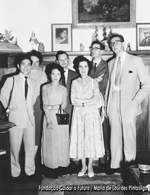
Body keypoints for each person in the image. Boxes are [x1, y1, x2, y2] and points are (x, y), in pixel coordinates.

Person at [105, 34, 150, 174]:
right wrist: (107, 106)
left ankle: (130, 167)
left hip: (129, 105)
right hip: (113, 104)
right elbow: (109, 86)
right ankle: (115, 166)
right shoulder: (111, 63)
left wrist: (135, 102)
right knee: (115, 136)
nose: (114, 45)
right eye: (111, 43)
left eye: (117, 42)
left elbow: (147, 84)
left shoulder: (135, 60)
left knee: (129, 137)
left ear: (123, 44)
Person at [0, 54, 38, 178]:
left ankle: (30, 170)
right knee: (14, 147)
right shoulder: (11, 79)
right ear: (18, 66)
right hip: (15, 118)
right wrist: (10, 109)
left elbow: (33, 99)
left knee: (30, 146)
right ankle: (15, 171)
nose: (26, 67)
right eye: (23, 64)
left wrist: (28, 109)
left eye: (29, 64)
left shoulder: (33, 81)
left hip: (30, 119)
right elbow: (3, 96)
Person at [70, 56, 105, 178]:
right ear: (77, 68)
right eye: (80, 66)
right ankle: (83, 166)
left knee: (90, 139)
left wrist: (83, 102)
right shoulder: (74, 82)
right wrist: (86, 101)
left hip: (91, 114)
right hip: (78, 114)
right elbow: (73, 100)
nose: (83, 69)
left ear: (89, 68)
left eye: (85, 66)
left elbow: (96, 99)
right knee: (81, 139)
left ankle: (90, 166)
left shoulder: (93, 82)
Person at [41, 63, 70, 178]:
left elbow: (64, 105)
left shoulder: (63, 88)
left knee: (62, 141)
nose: (55, 76)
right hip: (49, 117)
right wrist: (48, 119)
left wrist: (51, 106)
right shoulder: (45, 87)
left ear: (61, 75)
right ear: (49, 75)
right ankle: (50, 168)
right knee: (50, 142)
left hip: (61, 117)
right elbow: (44, 105)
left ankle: (62, 166)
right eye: (53, 74)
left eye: (58, 74)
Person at [89, 40, 110, 171]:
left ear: (102, 51)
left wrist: (92, 83)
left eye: (96, 48)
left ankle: (104, 159)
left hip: (102, 103)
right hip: (89, 103)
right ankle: (92, 159)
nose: (93, 50)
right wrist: (94, 81)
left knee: (104, 131)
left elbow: (105, 83)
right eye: (92, 48)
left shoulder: (107, 65)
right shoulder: (87, 65)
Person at [28, 50, 47, 160]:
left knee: (36, 131)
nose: (34, 65)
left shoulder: (42, 74)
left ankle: (32, 160)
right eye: (32, 61)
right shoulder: (23, 73)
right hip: (24, 106)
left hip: (37, 105)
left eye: (37, 62)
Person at [55, 50, 78, 116]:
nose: (63, 62)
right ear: (57, 61)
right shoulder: (53, 76)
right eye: (61, 60)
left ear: (68, 60)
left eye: (65, 59)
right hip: (57, 109)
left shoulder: (76, 75)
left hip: (72, 109)